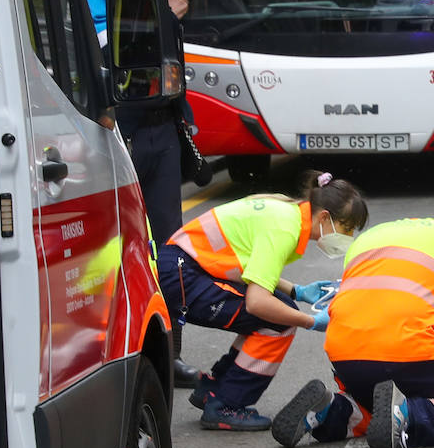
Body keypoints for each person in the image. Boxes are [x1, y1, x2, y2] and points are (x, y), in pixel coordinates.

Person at [83, 0, 209, 387]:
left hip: (162, 129)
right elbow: (104, 52)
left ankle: (169, 352)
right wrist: (162, 16)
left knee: (168, 247)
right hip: (123, 131)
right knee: (121, 248)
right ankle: (120, 351)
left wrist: (185, 121)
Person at [270, 217, 434, 448]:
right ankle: (408, 416)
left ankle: (329, 409)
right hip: (410, 352)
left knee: (370, 410)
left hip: (345, 354)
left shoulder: (366, 239)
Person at [157, 171, 369, 430]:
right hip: (184, 278)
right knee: (279, 322)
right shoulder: (284, 229)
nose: (348, 237)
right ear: (324, 217)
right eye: (346, 228)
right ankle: (225, 404)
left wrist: (297, 291)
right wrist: (310, 321)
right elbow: (256, 303)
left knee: (280, 309)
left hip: (182, 268)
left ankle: (214, 388)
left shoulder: (287, 211)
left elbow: (251, 268)